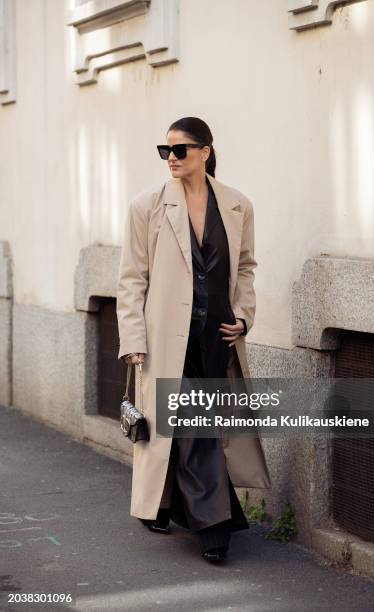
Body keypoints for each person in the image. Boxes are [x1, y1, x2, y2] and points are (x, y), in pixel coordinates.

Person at [116, 116, 271, 563]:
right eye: (165, 151)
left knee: (193, 425)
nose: (172, 159)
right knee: (188, 425)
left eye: (180, 150)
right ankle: (214, 528)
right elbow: (131, 278)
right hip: (167, 337)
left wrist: (244, 316)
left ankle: (164, 505)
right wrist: (133, 337)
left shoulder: (238, 205)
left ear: (205, 151)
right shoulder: (147, 206)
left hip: (216, 335)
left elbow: (245, 268)